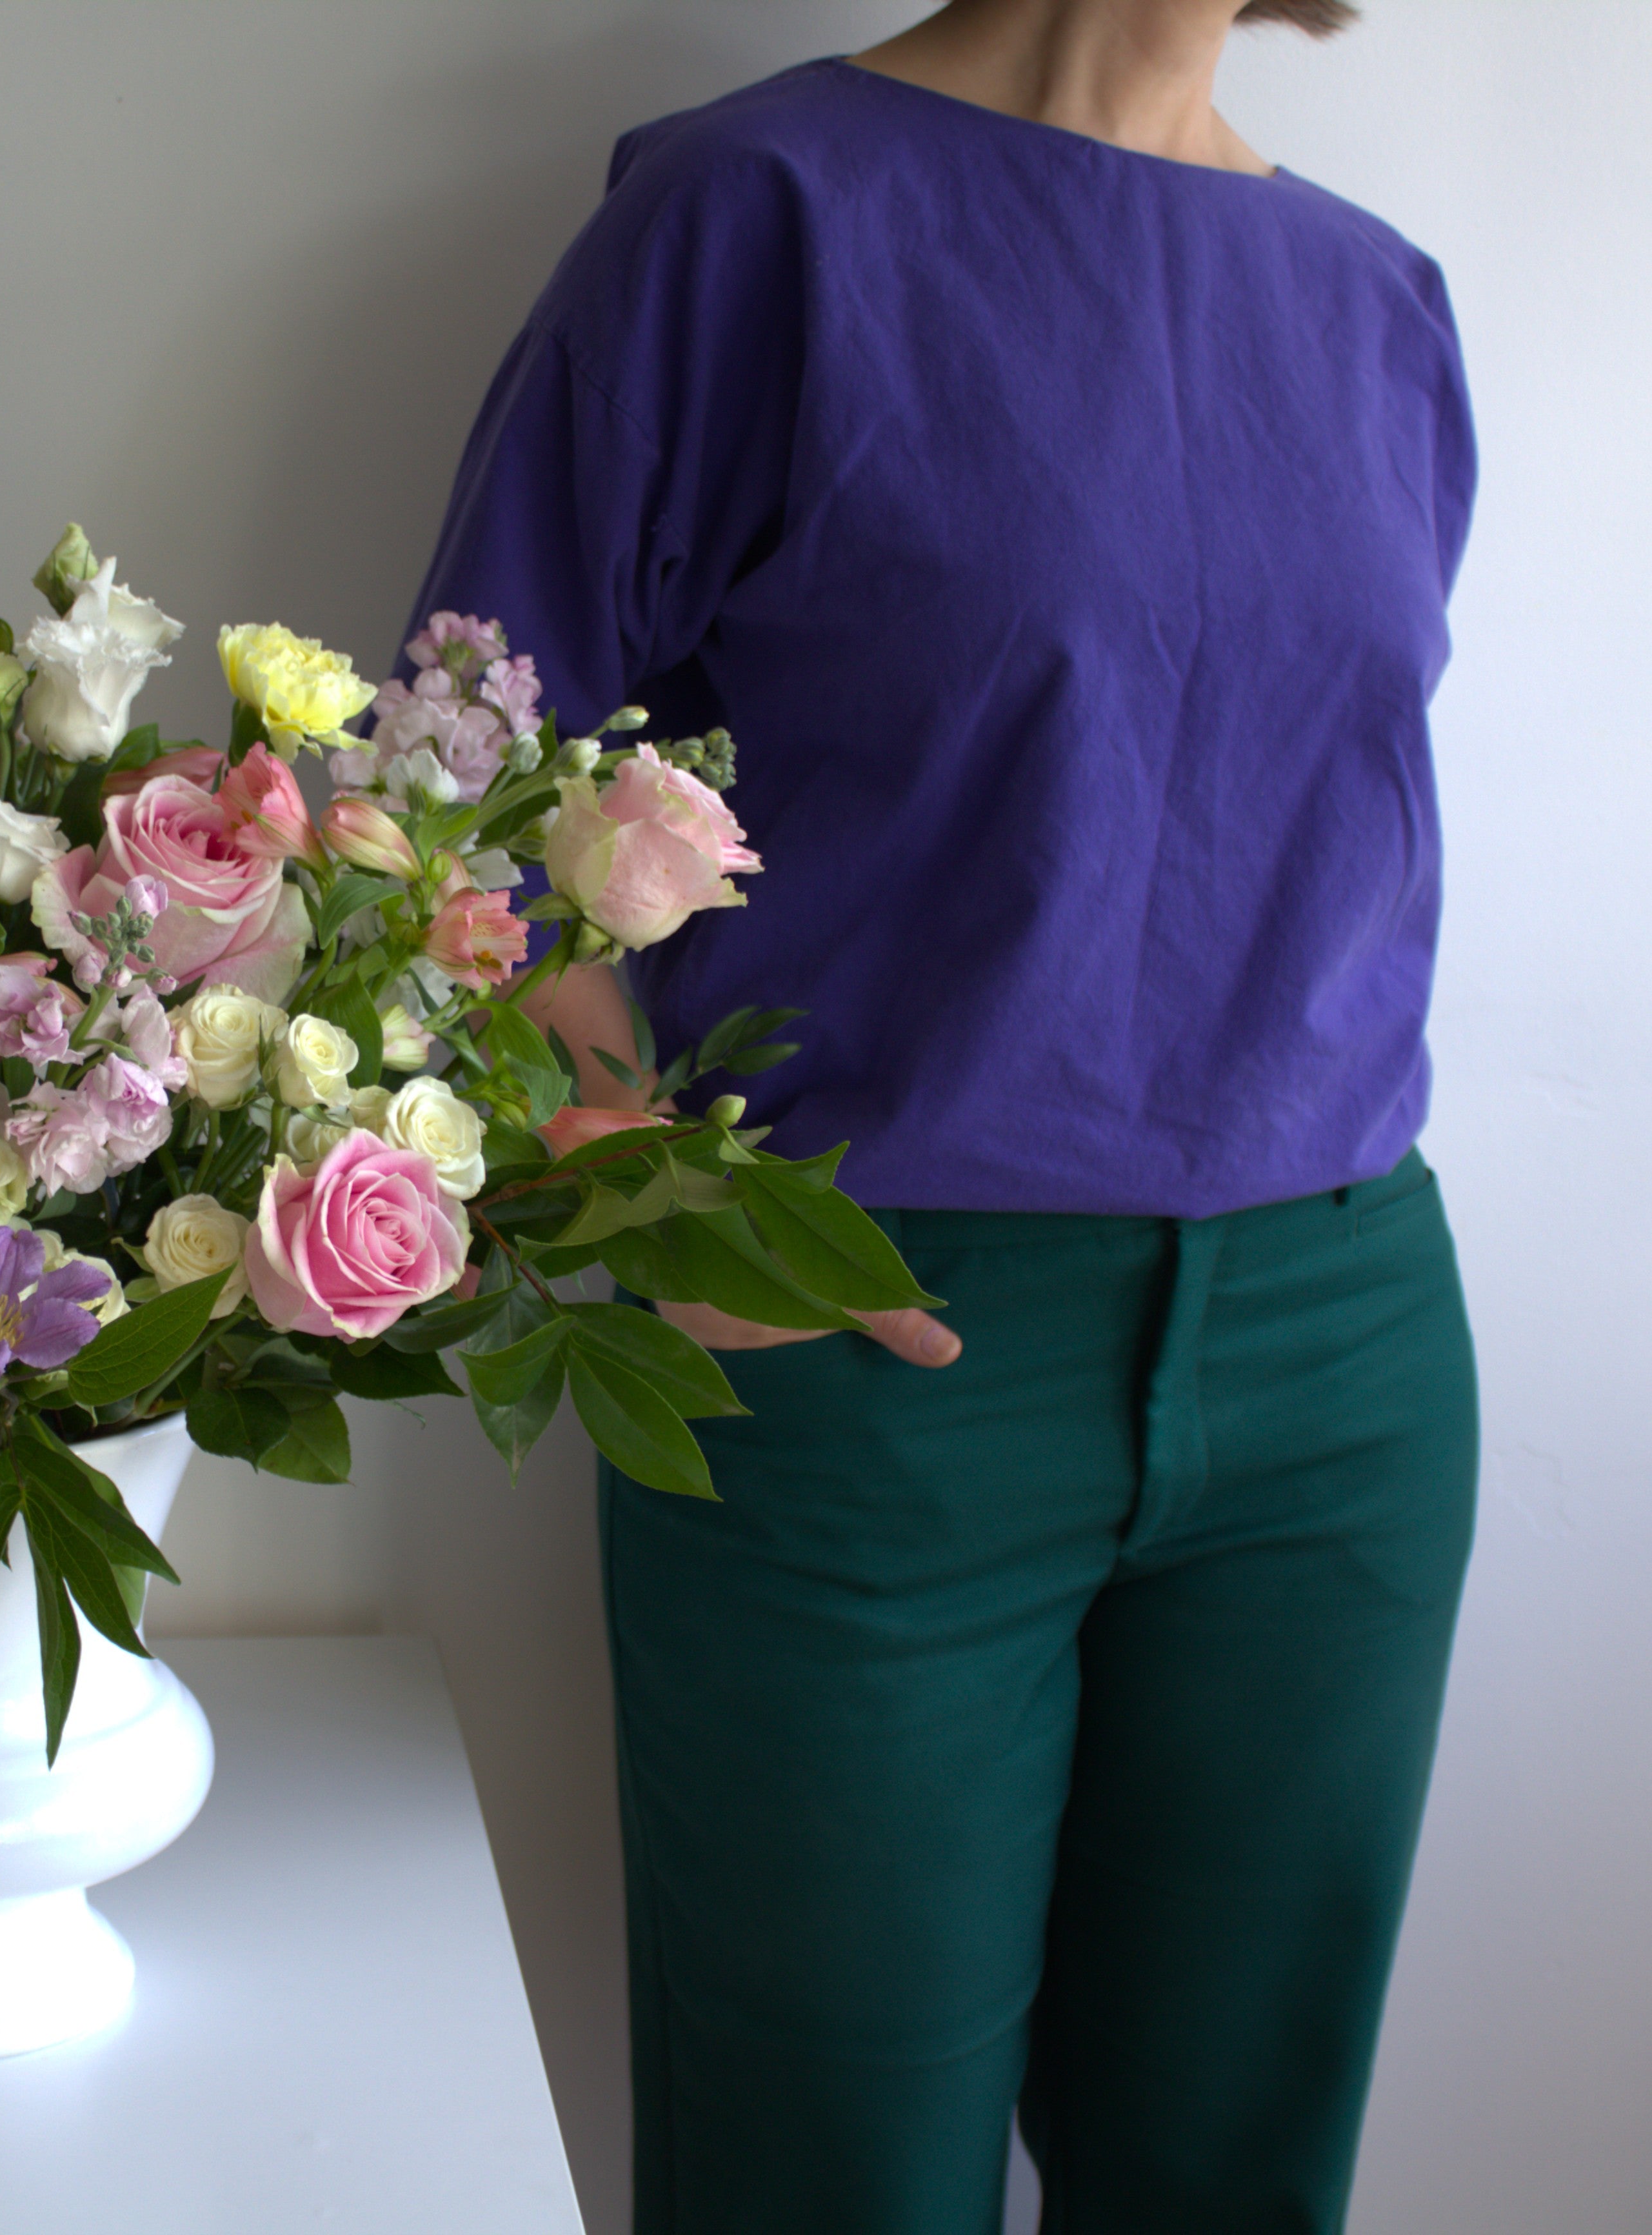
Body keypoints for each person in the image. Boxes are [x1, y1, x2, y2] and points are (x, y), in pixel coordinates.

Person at [399, 2, 1477, 2227]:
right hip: (865, 1349)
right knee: (829, 2166)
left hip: (1340, 1352)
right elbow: (452, 785)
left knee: (1231, 2173)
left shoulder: (1378, 301)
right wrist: (620, 1173)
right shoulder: (757, 214)